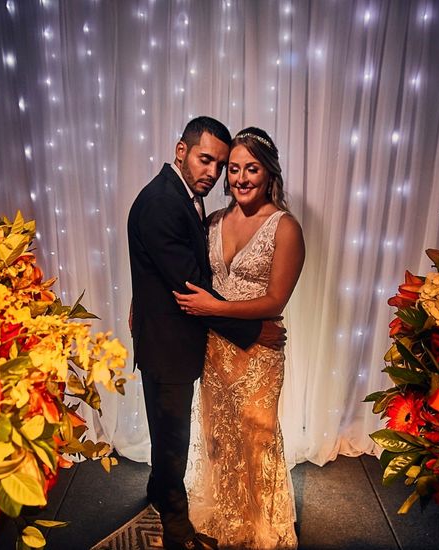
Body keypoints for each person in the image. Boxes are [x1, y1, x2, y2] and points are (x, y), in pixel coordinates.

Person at [127, 117, 287, 550]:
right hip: (169, 342)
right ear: (181, 151)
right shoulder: (163, 202)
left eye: (220, 164)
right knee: (173, 435)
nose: (213, 173)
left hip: (181, 338)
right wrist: (254, 329)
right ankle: (177, 526)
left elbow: (163, 270)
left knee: (170, 428)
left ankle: (160, 491)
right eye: (206, 160)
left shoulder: (185, 197)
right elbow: (190, 284)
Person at [175, 127, 305, 549]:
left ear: (269, 174)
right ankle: (229, 522)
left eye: (252, 169)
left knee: (258, 438)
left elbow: (275, 300)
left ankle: (266, 531)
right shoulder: (212, 222)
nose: (241, 178)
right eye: (234, 170)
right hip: (215, 350)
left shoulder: (285, 228)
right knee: (218, 437)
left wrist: (216, 310)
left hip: (259, 353)